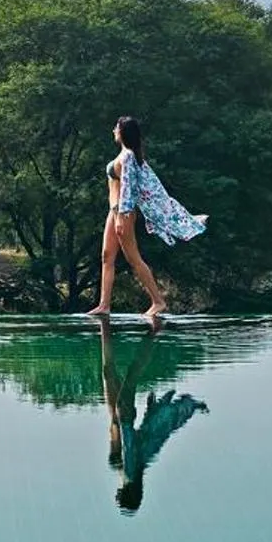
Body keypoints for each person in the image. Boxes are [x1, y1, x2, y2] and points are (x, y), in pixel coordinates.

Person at [89, 114, 206, 323]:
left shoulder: (129, 157)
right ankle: (104, 304)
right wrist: (115, 213)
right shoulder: (126, 155)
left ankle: (158, 301)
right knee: (107, 257)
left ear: (123, 131)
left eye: (116, 127)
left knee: (133, 258)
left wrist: (122, 215)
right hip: (113, 211)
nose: (114, 130)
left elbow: (129, 188)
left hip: (122, 213)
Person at [98, 316, 206, 513]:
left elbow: (131, 441)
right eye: (121, 498)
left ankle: (107, 326)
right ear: (129, 494)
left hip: (119, 419)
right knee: (129, 372)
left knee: (111, 371)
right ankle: (153, 331)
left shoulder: (132, 472)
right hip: (124, 418)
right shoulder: (132, 473)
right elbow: (137, 441)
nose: (117, 496)